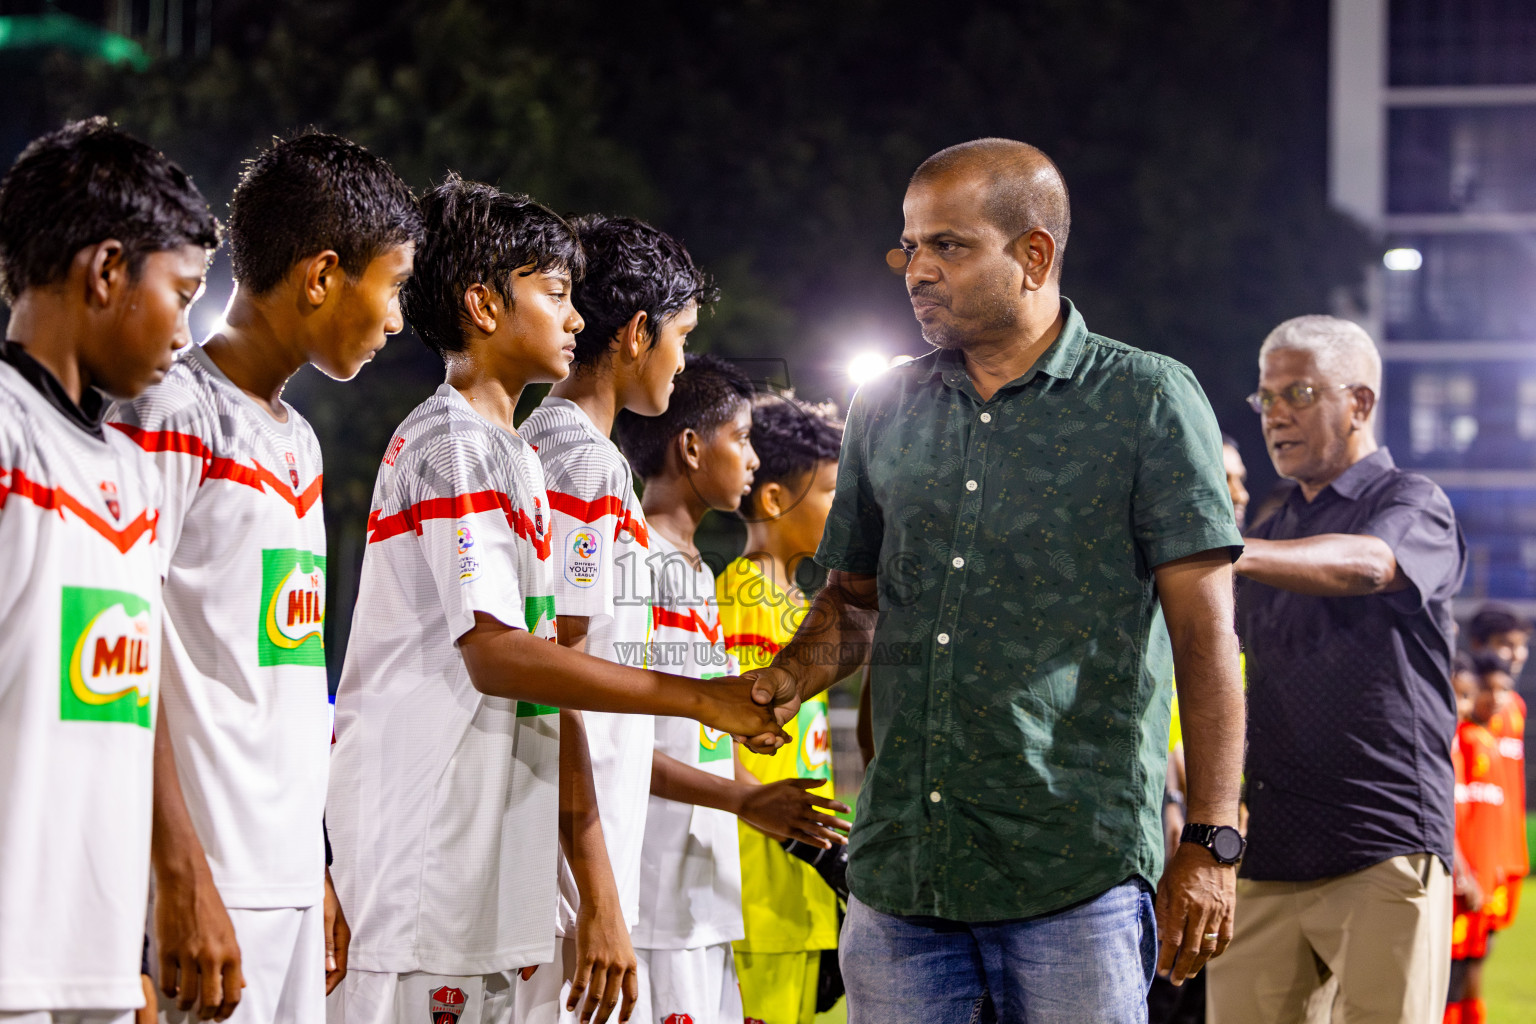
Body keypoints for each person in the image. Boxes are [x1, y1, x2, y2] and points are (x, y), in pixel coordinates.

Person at [748, 138, 1247, 1023]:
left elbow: (1206, 641)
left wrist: (1210, 842)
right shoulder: (885, 406)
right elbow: (854, 605)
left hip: (1073, 875)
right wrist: (786, 678)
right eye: (911, 245)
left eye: (950, 245)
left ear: (1034, 255)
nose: (917, 270)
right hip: (902, 874)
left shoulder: (1147, 400)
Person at [323, 177, 784, 1024]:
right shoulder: (469, 444)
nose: (576, 320)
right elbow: (517, 659)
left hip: (501, 859)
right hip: (435, 861)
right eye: (558, 294)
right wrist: (698, 704)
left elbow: (549, 678)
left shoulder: (518, 457)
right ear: (483, 306)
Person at [109, 132, 422, 1024]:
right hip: (195, 881)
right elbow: (123, 654)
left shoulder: (299, 441)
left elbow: (282, 675)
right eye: (391, 285)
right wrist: (177, 877)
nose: (396, 319)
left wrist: (313, 863)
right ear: (322, 274)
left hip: (282, 877)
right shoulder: (166, 411)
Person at [0, 118, 218, 1024]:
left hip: (85, 965)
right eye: (182, 291)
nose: (188, 327)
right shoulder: (8, 437)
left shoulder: (127, 470)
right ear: (105, 272)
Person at [1209, 315, 1466, 1024]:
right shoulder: (1270, 529)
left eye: (1298, 392)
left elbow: (1371, 565)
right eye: (1267, 398)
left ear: (1359, 403)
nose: (1276, 414)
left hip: (1382, 839)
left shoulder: (1413, 503)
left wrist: (1231, 552)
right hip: (1270, 850)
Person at [614, 353, 852, 1024]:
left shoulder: (751, 592)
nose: (844, 511)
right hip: (734, 889)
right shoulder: (728, 594)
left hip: (767, 889)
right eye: (831, 493)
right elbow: (700, 741)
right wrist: (797, 839)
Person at [514, 214, 710, 1024]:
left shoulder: (587, 456)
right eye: (683, 336)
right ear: (636, 333)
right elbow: (546, 679)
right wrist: (598, 894)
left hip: (580, 855)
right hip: (563, 875)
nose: (684, 360)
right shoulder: (577, 460)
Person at [716, 394, 849, 1024]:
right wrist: (812, 852)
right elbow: (716, 748)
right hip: (758, 902)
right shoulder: (739, 601)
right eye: (829, 491)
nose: (842, 506)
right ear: (773, 500)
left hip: (808, 900)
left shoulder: (804, 609)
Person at [1147, 431, 1252, 1024]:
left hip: (1232, 855)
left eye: (1240, 477)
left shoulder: (1244, 597)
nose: (1237, 490)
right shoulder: (1159, 595)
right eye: (1223, 474)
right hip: (1174, 847)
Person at [1444, 653, 1509, 1024]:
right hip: (1455, 879)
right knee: (1448, 972)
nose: (1462, 705)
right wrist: (1462, 870)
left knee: (1472, 966)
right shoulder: (1456, 743)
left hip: (1479, 877)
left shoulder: (1479, 739)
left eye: (1465, 695)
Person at [1466, 604, 1529, 936]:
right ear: (1478, 644)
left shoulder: (1515, 706)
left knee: (1482, 949)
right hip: (1469, 849)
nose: (1517, 654)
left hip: (1506, 849)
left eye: (1522, 645)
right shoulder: (1463, 707)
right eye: (1507, 644)